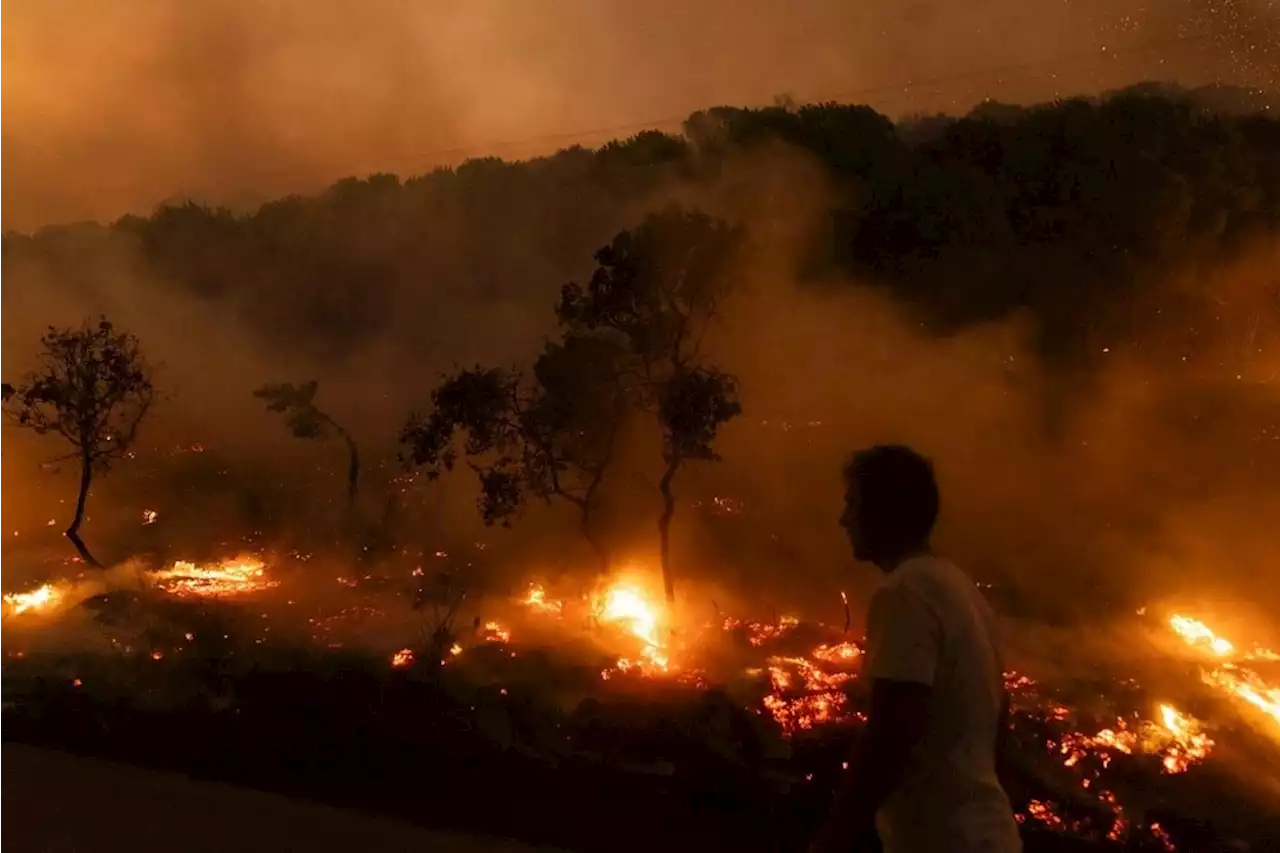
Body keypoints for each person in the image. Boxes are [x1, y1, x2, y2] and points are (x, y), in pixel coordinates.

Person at [810, 445, 1021, 853]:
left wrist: (831, 840)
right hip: (985, 835)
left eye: (852, 504)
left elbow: (890, 734)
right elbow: (1000, 721)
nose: (843, 519)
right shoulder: (959, 587)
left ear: (884, 512)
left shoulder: (905, 593)